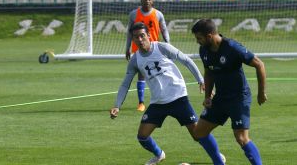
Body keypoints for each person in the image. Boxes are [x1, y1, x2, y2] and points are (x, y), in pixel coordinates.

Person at [110, 22, 225, 165]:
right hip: (158, 102)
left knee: (198, 134)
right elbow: (125, 83)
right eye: (136, 37)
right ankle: (159, 155)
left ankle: (218, 159)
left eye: (142, 36)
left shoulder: (162, 47)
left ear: (149, 35)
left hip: (178, 97)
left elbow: (186, 60)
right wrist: (117, 105)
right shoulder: (135, 60)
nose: (139, 39)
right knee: (142, 136)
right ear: (132, 40)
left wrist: (201, 80)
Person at [191, 19, 267, 165]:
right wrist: (208, 96)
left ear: (209, 36)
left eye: (199, 38)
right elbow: (209, 72)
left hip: (238, 99)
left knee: (241, 138)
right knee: (199, 132)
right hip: (220, 99)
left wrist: (261, 93)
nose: (197, 42)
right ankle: (219, 162)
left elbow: (259, 64)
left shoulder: (232, 47)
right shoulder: (204, 50)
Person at [125, 0, 170, 112]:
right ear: (141, 0)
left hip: (155, 49)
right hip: (139, 49)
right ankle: (141, 103)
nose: (147, 1)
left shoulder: (158, 14)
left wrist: (168, 45)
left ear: (152, 1)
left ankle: (164, 98)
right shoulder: (134, 14)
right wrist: (127, 47)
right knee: (141, 74)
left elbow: (164, 30)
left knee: (160, 73)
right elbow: (129, 33)